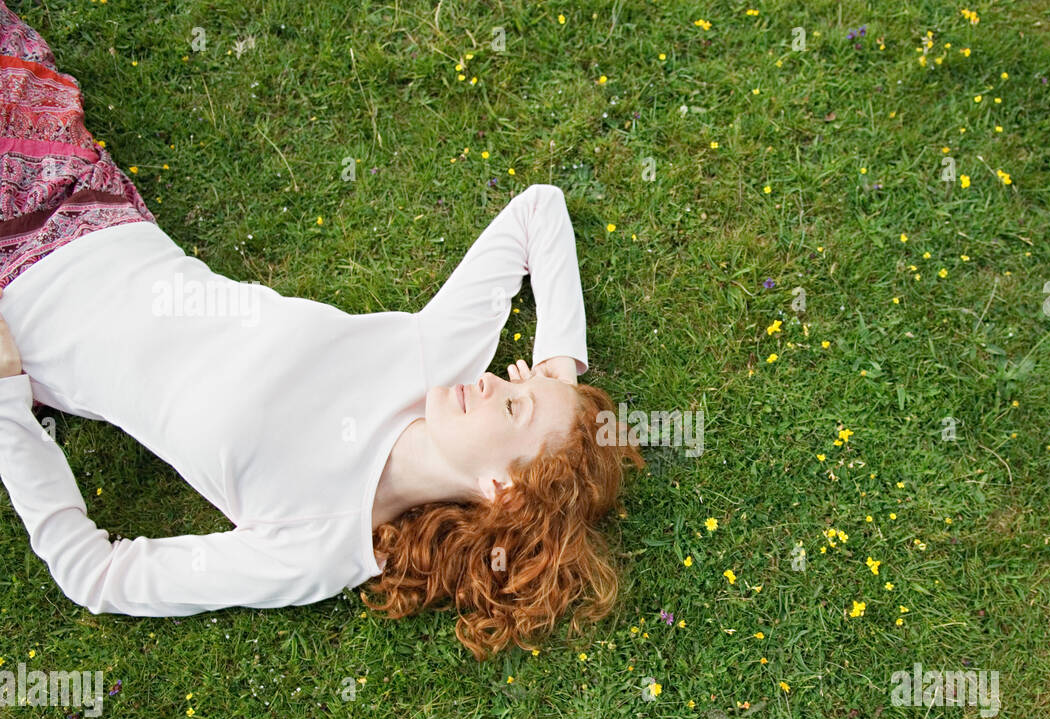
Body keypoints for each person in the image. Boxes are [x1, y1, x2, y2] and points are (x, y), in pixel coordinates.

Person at [0, 2, 643, 660]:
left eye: (514, 405)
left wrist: (6, 402)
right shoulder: (438, 356)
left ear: (498, 488)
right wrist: (557, 367)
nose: (488, 379)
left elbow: (97, 575)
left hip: (19, 313)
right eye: (512, 381)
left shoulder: (320, 544)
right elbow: (539, 208)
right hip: (76, 197)